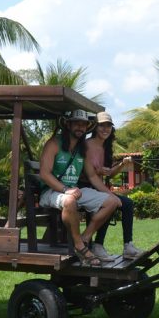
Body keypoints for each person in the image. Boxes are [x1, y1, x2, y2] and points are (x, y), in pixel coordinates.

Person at [38, 110, 121, 266]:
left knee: (112, 202)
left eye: (83, 125)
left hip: (73, 190)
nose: (80, 127)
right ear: (68, 124)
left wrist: (111, 194)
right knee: (69, 201)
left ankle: (85, 237)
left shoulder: (82, 149)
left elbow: (92, 176)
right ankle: (79, 245)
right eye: (76, 123)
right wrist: (65, 190)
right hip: (51, 192)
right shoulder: (54, 144)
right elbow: (44, 174)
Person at [85, 111, 143, 260]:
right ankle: (97, 245)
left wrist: (122, 165)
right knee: (111, 202)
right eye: (102, 126)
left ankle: (128, 246)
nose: (105, 129)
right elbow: (91, 175)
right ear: (95, 127)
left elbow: (108, 173)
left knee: (128, 203)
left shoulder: (106, 147)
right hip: (85, 186)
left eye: (108, 126)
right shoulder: (87, 146)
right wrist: (108, 192)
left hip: (96, 186)